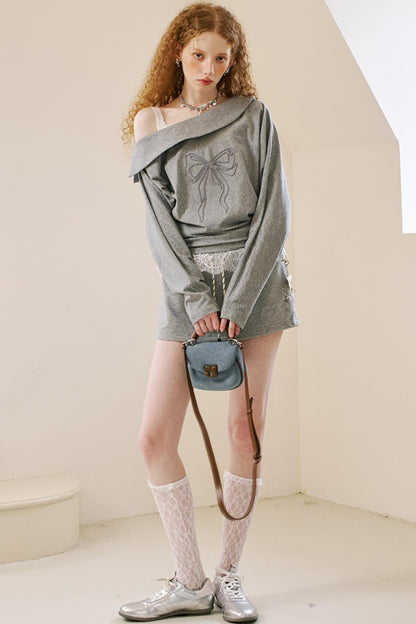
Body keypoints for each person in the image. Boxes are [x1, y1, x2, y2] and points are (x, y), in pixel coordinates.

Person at [119, 2, 299, 622]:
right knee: (154, 437)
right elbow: (159, 226)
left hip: (257, 286)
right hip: (186, 290)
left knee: (244, 431)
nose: (209, 68)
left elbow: (275, 215)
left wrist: (237, 303)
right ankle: (191, 582)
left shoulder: (253, 115)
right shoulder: (150, 120)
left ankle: (228, 576)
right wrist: (198, 302)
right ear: (178, 52)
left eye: (221, 58)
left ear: (232, 60)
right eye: (198, 55)